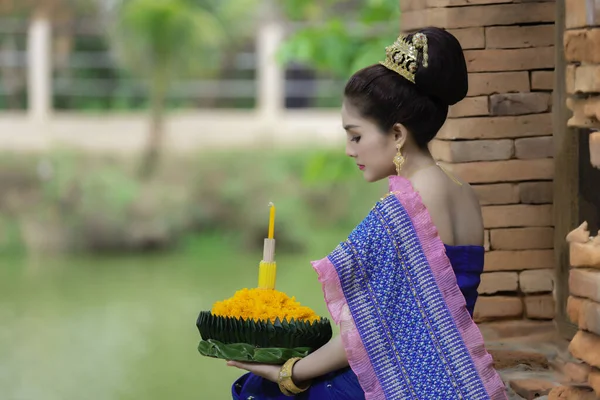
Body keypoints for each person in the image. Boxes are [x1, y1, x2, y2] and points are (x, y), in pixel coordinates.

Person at [227, 27, 508, 400]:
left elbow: (364, 335)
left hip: (400, 384)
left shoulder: (400, 210)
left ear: (396, 135)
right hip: (454, 379)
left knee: (256, 390)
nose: (348, 150)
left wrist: (288, 374)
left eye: (356, 136)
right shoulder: (464, 193)